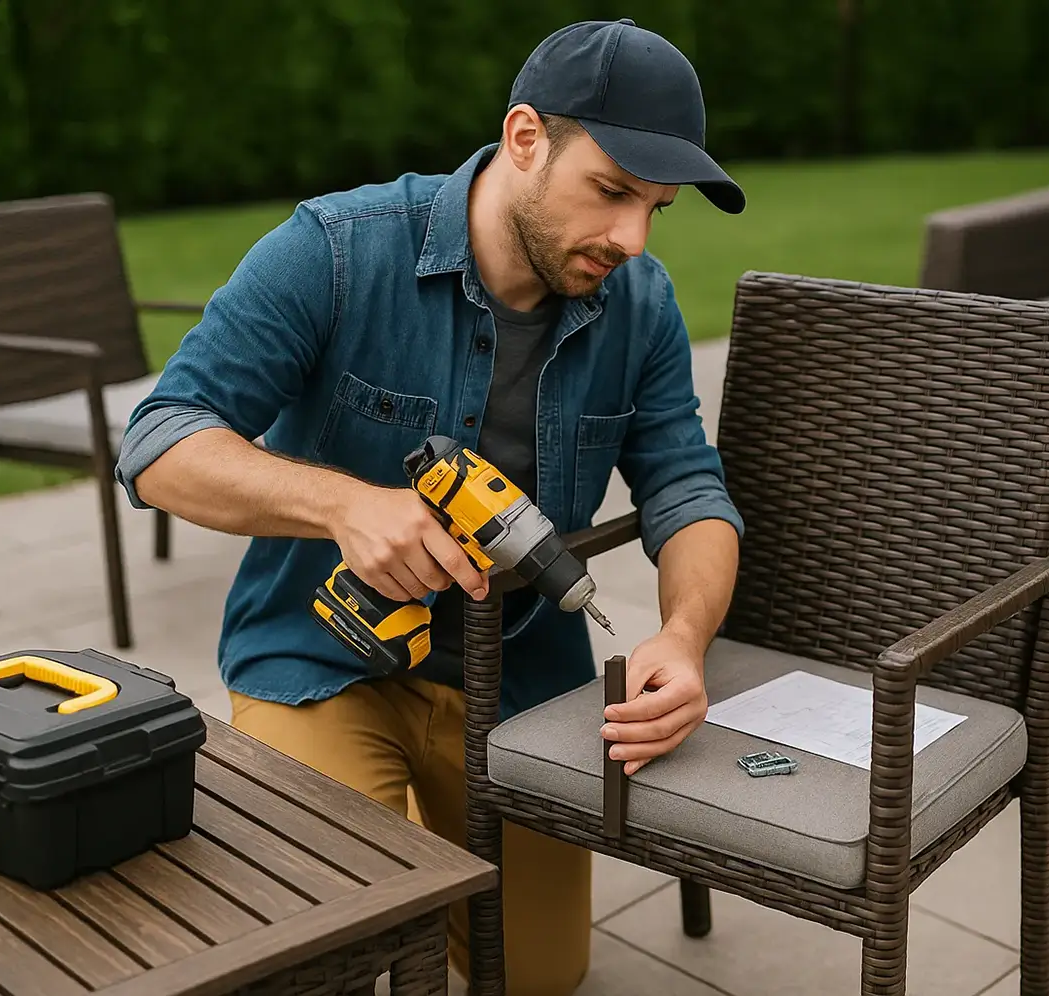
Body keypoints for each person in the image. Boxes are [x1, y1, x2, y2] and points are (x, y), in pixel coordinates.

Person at [114, 17, 745, 995]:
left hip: (519, 681)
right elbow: (159, 443)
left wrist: (684, 636)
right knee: (328, 953)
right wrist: (343, 507)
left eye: (656, 208)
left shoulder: (642, 306)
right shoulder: (335, 250)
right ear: (525, 137)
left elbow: (686, 489)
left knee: (536, 976)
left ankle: (406, 835)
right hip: (324, 661)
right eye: (613, 191)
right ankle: (373, 824)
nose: (631, 239)